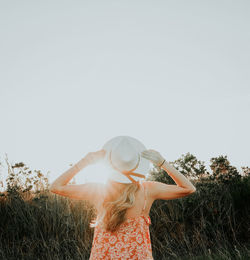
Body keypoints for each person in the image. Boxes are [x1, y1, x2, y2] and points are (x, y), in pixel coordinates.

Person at [49, 136, 196, 259]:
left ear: (111, 163)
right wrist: (163, 163)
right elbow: (189, 188)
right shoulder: (148, 190)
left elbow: (55, 187)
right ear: (137, 164)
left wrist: (84, 162)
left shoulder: (97, 190)